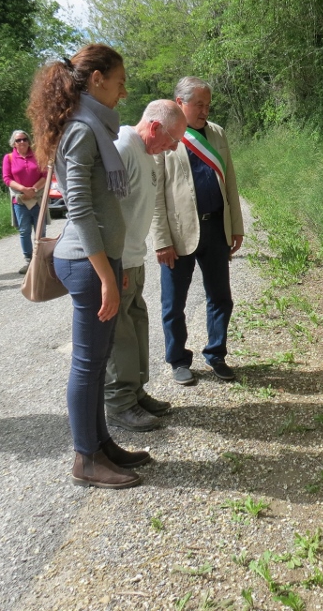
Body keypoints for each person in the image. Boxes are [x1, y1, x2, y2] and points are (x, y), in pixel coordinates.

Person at [26, 44, 150, 489]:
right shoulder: (82, 129)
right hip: (86, 263)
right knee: (86, 363)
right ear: (97, 79)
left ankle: (101, 444)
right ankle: (85, 458)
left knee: (97, 362)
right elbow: (77, 206)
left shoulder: (90, 124)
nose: (123, 91)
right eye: (119, 82)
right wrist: (105, 276)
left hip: (98, 260)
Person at [151, 77, 245, 385]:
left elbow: (230, 182)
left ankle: (216, 354)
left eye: (208, 105)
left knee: (221, 297)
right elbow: (156, 194)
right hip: (178, 235)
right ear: (180, 103)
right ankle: (178, 359)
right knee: (173, 303)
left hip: (216, 227)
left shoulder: (217, 133)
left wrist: (236, 226)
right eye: (199, 104)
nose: (205, 110)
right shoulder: (165, 135)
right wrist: (161, 240)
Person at [105, 100, 187, 432]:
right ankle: (119, 403)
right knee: (119, 334)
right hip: (119, 261)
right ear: (154, 127)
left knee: (137, 326)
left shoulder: (147, 153)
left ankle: (135, 393)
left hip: (134, 259)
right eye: (172, 139)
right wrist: (114, 265)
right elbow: (102, 208)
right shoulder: (122, 147)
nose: (175, 147)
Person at [2, 129, 47, 274]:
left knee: (40, 230)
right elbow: (7, 178)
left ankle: (42, 260)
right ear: (13, 143)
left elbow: (45, 175)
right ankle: (29, 261)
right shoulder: (9, 158)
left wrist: (34, 189)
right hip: (20, 200)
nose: (22, 142)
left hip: (38, 198)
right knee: (24, 230)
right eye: (18, 140)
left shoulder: (38, 156)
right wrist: (23, 189)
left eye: (24, 139)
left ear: (28, 141)